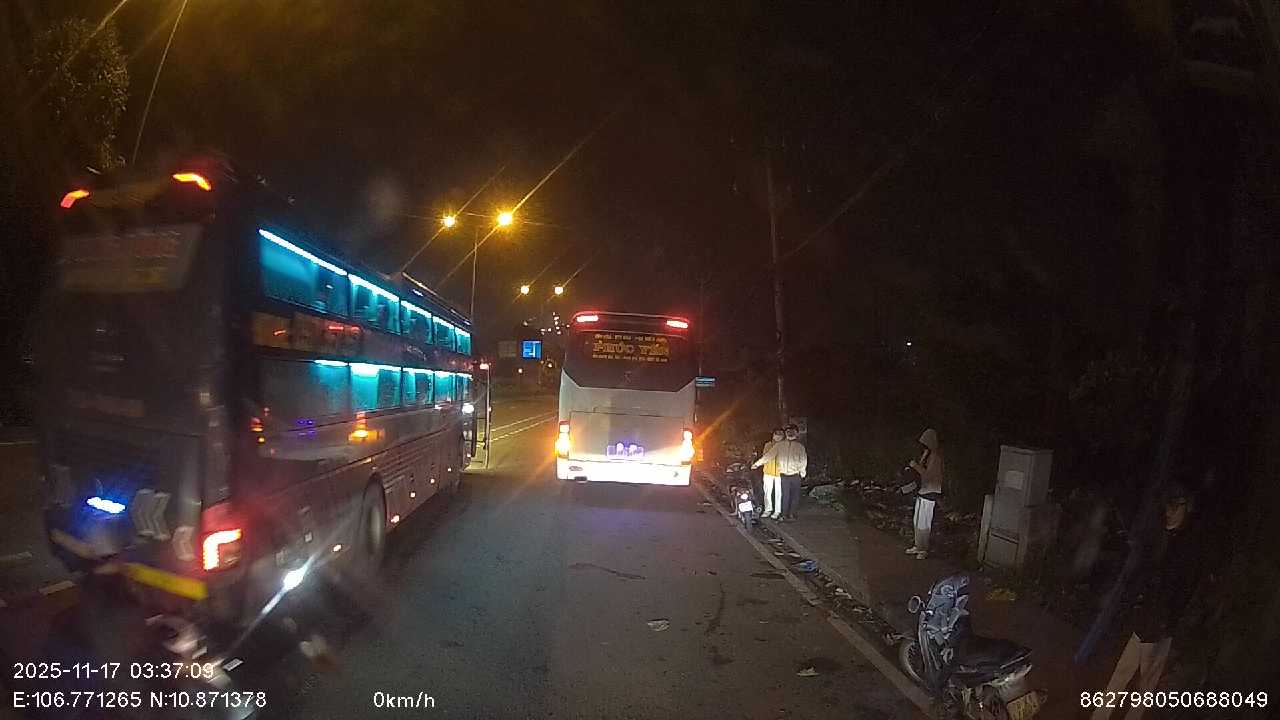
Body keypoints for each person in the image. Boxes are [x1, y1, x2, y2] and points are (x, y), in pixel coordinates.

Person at [1091, 485, 1200, 720]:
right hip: (1143, 618)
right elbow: (1145, 573)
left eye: (1175, 507)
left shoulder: (1188, 546)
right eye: (1168, 507)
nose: (1169, 512)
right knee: (1122, 672)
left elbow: (1182, 589)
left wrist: (1167, 624)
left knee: (1146, 684)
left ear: (1186, 509)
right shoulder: (1162, 536)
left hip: (1161, 624)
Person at [753, 425, 807, 521]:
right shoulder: (779, 445)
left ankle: (790, 514)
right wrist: (757, 464)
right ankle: (782, 514)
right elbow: (768, 456)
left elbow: (803, 460)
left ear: (796, 433)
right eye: (788, 431)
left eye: (792, 431)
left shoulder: (800, 447)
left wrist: (802, 473)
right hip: (782, 474)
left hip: (794, 474)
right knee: (784, 496)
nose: (790, 433)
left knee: (793, 496)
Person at [905, 428, 943, 559]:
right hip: (923, 490)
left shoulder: (935, 457)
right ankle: (918, 545)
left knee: (924, 521)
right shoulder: (929, 455)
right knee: (917, 520)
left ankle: (923, 549)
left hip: (931, 490)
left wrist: (915, 466)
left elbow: (928, 475)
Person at [759, 429, 784, 520]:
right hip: (768, 471)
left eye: (780, 434)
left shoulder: (784, 446)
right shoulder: (768, 445)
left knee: (778, 493)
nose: (778, 436)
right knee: (767, 492)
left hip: (780, 472)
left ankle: (777, 511)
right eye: (776, 434)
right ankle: (768, 509)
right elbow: (765, 456)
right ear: (773, 435)